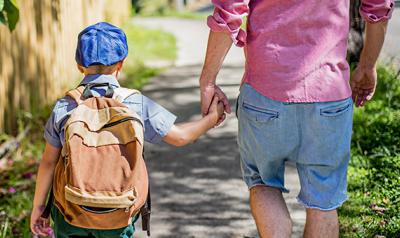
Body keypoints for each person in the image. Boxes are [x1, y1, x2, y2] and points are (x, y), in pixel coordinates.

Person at [199, 1, 394, 237]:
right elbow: (379, 6)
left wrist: (208, 80)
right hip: (328, 96)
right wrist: (367, 65)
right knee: (323, 201)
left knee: (263, 183)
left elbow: (231, 8)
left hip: (264, 95)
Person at [30, 22, 224, 238]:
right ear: (121, 64)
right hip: (118, 214)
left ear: (79, 65)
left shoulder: (66, 106)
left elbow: (48, 163)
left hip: (70, 212)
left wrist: (39, 209)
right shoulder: (134, 103)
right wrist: (212, 118)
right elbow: (180, 137)